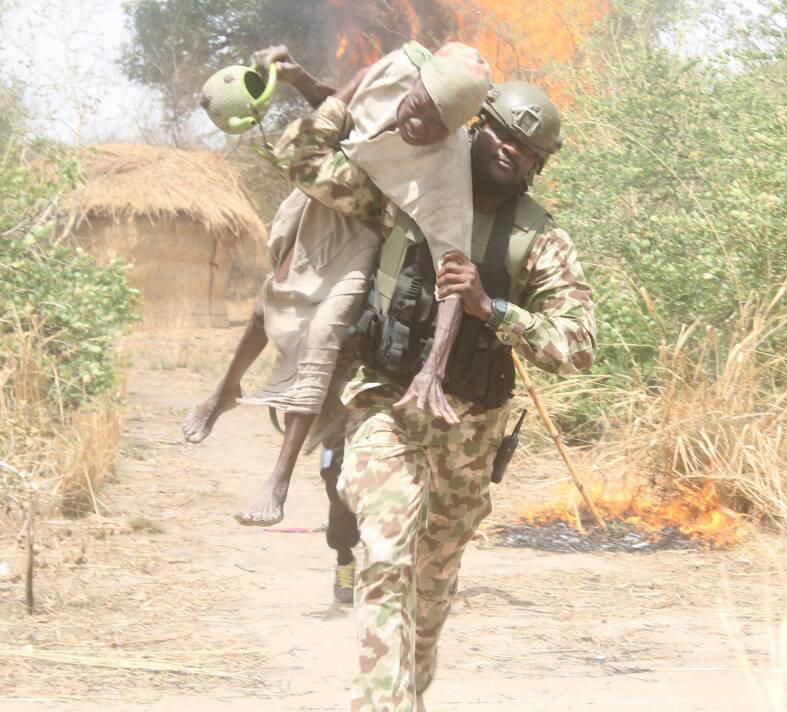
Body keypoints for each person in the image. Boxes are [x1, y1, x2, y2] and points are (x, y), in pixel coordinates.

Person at [278, 78, 596, 711]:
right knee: (385, 561)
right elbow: (306, 161)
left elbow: (578, 344)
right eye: (503, 132)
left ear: (537, 164)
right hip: (384, 408)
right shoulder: (406, 190)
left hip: (469, 437)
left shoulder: (539, 239)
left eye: (526, 147)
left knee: (431, 588)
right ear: (478, 128)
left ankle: (408, 698)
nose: (510, 149)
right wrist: (348, 90)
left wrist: (493, 307)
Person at [181, 42, 491, 528]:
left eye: (436, 125)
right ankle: (225, 390)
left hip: (365, 230)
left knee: (323, 335)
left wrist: (433, 367)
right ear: (414, 84)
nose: (420, 127)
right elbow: (344, 113)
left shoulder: (447, 170)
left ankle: (277, 479)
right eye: (418, 109)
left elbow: (455, 271)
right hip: (319, 202)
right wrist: (300, 77)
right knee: (267, 310)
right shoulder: (395, 70)